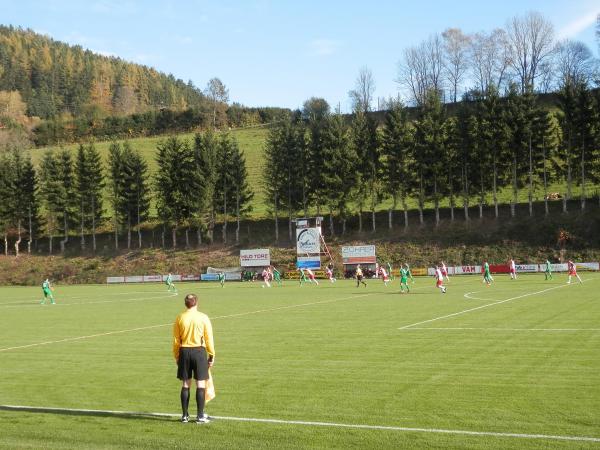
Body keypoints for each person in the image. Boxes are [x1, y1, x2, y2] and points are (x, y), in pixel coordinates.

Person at [173, 293, 215, 424]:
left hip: (184, 351)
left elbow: (176, 340)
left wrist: (177, 356)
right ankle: (200, 416)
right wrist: (212, 355)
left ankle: (185, 416)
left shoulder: (180, 317)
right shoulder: (203, 317)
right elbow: (209, 338)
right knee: (200, 383)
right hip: (199, 352)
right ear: (196, 303)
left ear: (186, 304)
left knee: (186, 384)